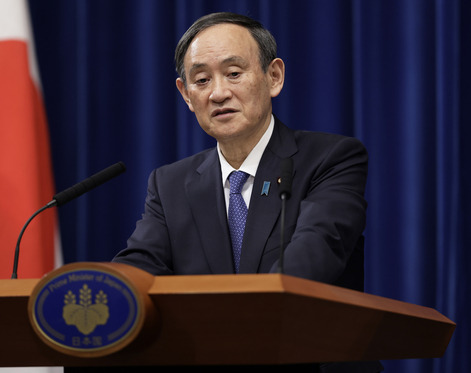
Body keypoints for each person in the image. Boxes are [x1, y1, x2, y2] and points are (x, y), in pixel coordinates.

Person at [113, 12, 383, 373]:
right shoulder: (170, 183)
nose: (219, 92)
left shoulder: (331, 159)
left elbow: (316, 252)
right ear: (186, 95)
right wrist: (101, 294)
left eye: (234, 73)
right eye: (202, 80)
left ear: (273, 77)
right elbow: (139, 267)